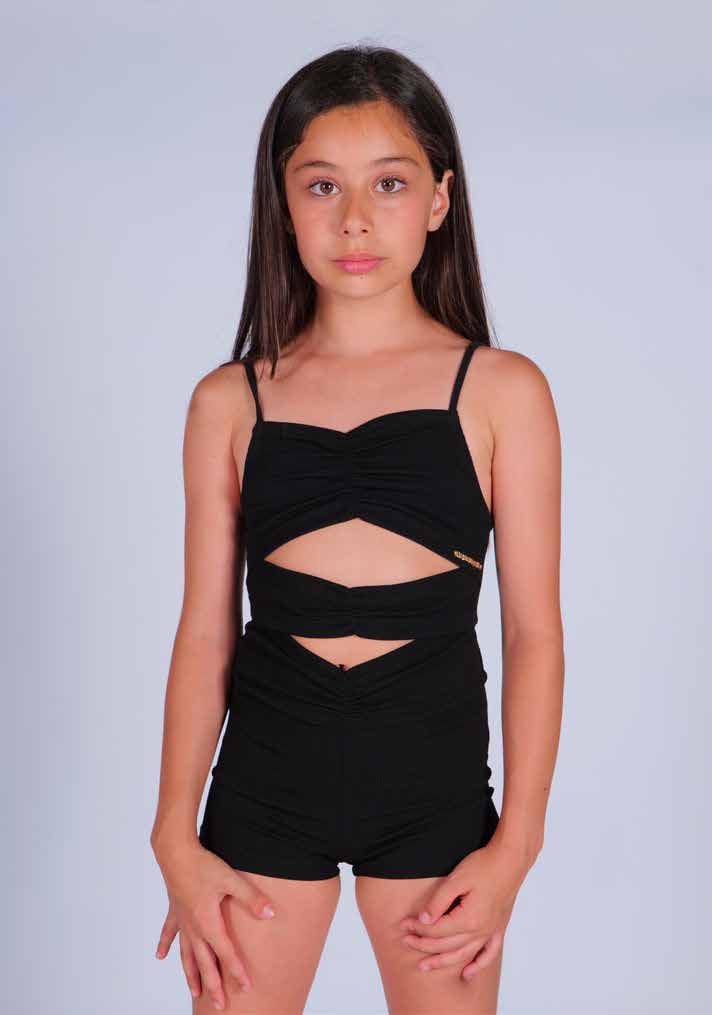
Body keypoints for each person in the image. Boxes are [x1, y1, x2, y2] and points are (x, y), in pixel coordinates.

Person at [150, 44, 564, 1015]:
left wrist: (516, 845)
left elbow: (533, 632)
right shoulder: (229, 401)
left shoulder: (502, 390)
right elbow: (205, 629)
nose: (354, 220)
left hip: (433, 779)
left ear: (439, 198)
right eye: (321, 185)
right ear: (282, 203)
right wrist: (173, 831)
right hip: (265, 776)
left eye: (389, 182)